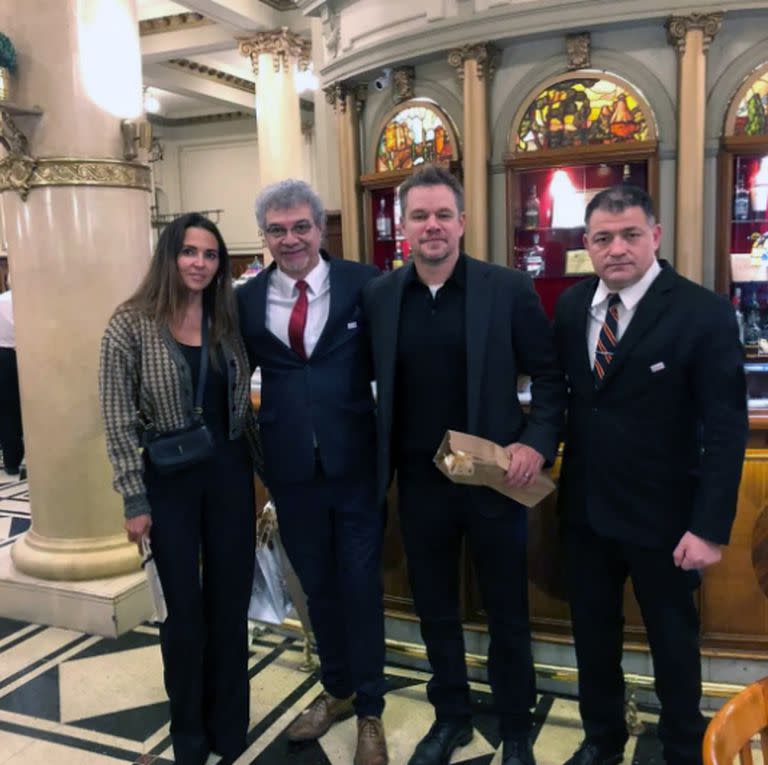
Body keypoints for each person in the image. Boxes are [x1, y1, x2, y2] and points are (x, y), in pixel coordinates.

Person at [363, 165, 565, 765]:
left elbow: (551, 379)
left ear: (463, 222)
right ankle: (450, 714)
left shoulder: (505, 289)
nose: (432, 226)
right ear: (404, 227)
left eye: (442, 215)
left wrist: (536, 441)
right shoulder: (379, 296)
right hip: (419, 485)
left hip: (494, 480)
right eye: (420, 216)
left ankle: (516, 726)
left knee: (507, 609)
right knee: (436, 609)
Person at [553, 185, 748, 765]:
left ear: (655, 237)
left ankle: (685, 748)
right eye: (603, 238)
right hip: (586, 514)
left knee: (673, 644)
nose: (617, 248)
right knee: (593, 638)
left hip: (668, 523)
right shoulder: (570, 308)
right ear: (588, 244)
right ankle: (602, 738)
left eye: (630, 234)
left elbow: (727, 430)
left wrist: (709, 528)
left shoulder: (702, 311)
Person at [99, 213, 263, 765]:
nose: (200, 263)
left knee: (229, 603)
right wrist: (134, 500)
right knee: (183, 616)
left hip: (230, 478)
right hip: (169, 483)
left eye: (211, 255)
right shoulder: (130, 324)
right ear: (169, 256)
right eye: (189, 252)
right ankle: (190, 734)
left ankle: (228, 726)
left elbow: (241, 407)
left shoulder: (227, 319)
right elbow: (118, 419)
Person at [237, 179, 388, 765]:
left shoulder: (365, 284)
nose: (290, 238)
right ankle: (337, 690)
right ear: (265, 236)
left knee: (359, 586)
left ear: (320, 228)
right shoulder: (247, 301)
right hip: (291, 471)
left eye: (301, 226)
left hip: (356, 467)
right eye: (277, 229)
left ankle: (370, 709)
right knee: (317, 589)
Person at [0, 275, 24, 482]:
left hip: (3, 357)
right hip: (27, 357)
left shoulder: (2, 301)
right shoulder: (30, 302)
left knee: (7, 411)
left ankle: (11, 462)